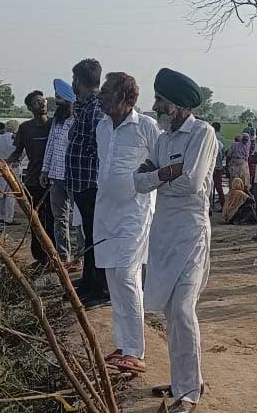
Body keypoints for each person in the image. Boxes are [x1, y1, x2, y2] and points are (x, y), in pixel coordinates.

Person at [134, 67, 220, 413]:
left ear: (179, 105)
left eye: (161, 101)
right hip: (164, 232)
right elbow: (137, 182)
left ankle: (188, 394)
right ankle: (185, 379)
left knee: (183, 310)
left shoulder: (203, 133)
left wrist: (159, 177)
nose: (156, 106)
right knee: (171, 313)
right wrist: (167, 173)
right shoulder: (163, 138)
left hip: (191, 233)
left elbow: (193, 183)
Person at [95, 71, 160, 374]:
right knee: (113, 278)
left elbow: (161, 163)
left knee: (126, 275)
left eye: (106, 92)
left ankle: (135, 351)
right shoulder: (102, 127)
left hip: (135, 213)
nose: (101, 96)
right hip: (105, 212)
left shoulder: (147, 127)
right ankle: (123, 345)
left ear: (125, 97)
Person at [65, 58, 108, 305]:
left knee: (95, 235)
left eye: (74, 80)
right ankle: (89, 281)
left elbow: (98, 147)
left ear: (80, 81)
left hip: (91, 183)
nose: (72, 84)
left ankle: (100, 288)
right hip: (82, 183)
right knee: (88, 235)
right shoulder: (85, 106)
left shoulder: (95, 109)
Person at [10, 90, 57, 264]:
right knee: (35, 221)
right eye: (37, 102)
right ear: (30, 107)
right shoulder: (25, 128)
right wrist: (5, 163)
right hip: (33, 181)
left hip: (53, 182)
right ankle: (39, 256)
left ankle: (53, 256)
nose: (42, 104)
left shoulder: (55, 124)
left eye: (43, 101)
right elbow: (18, 152)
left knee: (53, 220)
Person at [41, 82, 76, 267]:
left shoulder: (78, 119)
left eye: (59, 98)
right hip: (55, 175)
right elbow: (50, 146)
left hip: (73, 176)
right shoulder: (57, 120)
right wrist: (45, 170)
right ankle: (64, 257)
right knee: (59, 218)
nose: (56, 101)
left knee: (77, 219)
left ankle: (80, 258)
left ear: (69, 100)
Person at [0, 120, 20, 225]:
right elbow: (22, 152)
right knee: (11, 194)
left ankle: (1, 216)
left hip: (0, 168)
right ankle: (8, 218)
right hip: (13, 168)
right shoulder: (16, 139)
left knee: (1, 193)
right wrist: (18, 161)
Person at [211, 122, 227, 210]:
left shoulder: (211, 137)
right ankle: (223, 205)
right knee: (219, 187)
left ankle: (208, 206)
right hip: (219, 165)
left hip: (211, 166)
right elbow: (224, 152)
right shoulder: (222, 138)